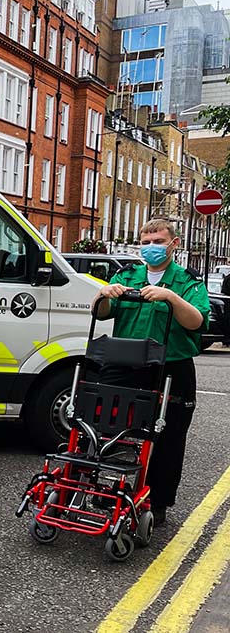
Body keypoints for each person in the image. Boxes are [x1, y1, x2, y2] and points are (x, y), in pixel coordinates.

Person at [93, 219, 209, 526]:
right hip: (126, 362)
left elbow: (197, 321)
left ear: (174, 244)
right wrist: (105, 294)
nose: (151, 247)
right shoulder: (127, 275)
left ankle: (158, 502)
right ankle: (105, 489)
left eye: (158, 241)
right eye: (145, 242)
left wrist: (171, 297)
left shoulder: (187, 281)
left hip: (172, 365)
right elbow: (100, 313)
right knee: (104, 424)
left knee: (169, 437)